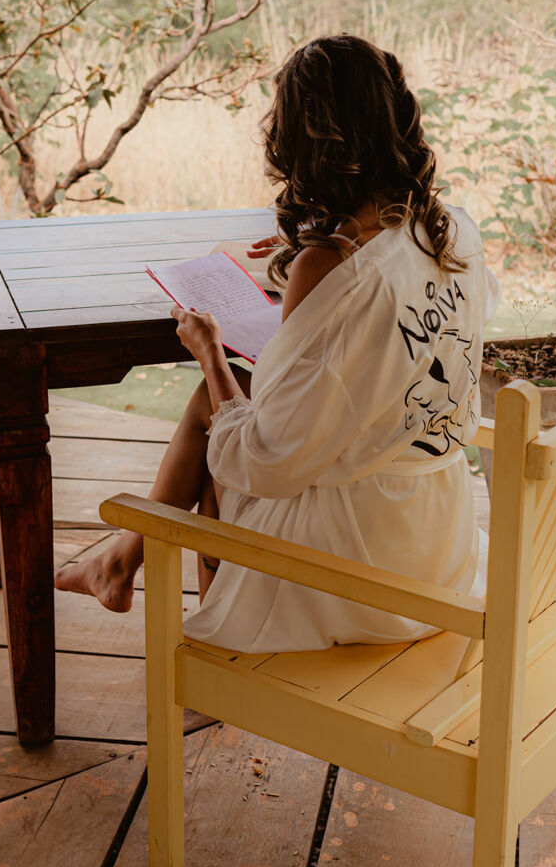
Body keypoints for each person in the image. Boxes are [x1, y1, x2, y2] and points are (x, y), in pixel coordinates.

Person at [55, 34, 499, 652]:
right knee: (226, 402)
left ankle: (153, 594)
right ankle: (117, 564)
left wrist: (209, 348)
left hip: (357, 568)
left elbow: (263, 461)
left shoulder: (330, 266)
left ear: (306, 140)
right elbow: (392, 337)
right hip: (435, 539)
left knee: (220, 421)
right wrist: (304, 265)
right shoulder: (449, 231)